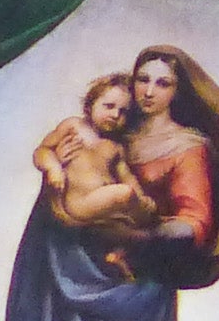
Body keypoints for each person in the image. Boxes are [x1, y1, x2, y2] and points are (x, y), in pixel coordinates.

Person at [1, 46, 219, 321]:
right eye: (142, 79)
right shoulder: (111, 129)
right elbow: (59, 174)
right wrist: (58, 165)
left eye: (163, 83)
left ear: (178, 92)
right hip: (67, 275)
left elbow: (194, 223)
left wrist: (135, 236)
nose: (148, 91)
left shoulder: (186, 147)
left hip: (131, 288)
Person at [32, 74, 159, 276]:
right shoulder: (73, 126)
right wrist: (54, 168)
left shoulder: (115, 147)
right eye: (109, 106)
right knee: (124, 194)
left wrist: (142, 197)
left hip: (104, 209)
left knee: (140, 233)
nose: (115, 115)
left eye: (123, 112)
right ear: (90, 105)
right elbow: (42, 151)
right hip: (79, 203)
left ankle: (118, 255)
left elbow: (127, 176)